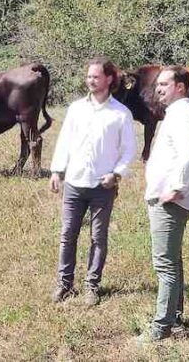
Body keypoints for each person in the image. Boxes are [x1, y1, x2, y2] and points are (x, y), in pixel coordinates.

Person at [49, 57, 136, 306]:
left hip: (102, 186)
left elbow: (129, 149)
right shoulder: (76, 108)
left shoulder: (120, 113)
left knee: (98, 237)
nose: (90, 80)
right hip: (75, 183)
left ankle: (91, 286)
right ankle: (64, 284)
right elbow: (64, 141)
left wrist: (116, 173)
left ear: (109, 79)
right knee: (67, 234)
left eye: (96, 76)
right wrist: (57, 171)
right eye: (88, 76)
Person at [138, 65, 189, 343]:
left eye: (164, 84)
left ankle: (160, 327)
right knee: (172, 262)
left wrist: (176, 189)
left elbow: (188, 156)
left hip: (170, 201)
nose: (159, 88)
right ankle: (174, 319)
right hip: (165, 197)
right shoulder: (175, 114)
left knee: (164, 265)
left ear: (180, 87)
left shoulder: (183, 116)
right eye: (158, 84)